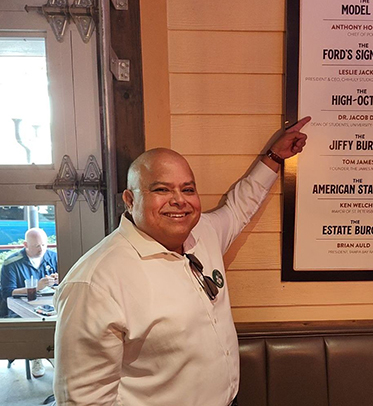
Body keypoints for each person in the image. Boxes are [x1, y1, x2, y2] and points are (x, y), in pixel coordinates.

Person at [53, 117, 310, 406]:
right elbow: (83, 400)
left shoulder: (203, 233)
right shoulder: (95, 282)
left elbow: (239, 208)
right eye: (161, 190)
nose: (179, 200)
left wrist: (274, 157)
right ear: (129, 199)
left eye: (188, 189)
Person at [0, 227, 58, 377]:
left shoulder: (54, 257)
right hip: (19, 308)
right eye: (37, 246)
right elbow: (7, 292)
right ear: (25, 245)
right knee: (33, 324)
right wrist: (35, 287)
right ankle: (36, 355)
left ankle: (55, 353)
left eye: (44, 245)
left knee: (61, 320)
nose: (41, 249)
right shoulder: (11, 263)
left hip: (49, 303)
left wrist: (59, 280)